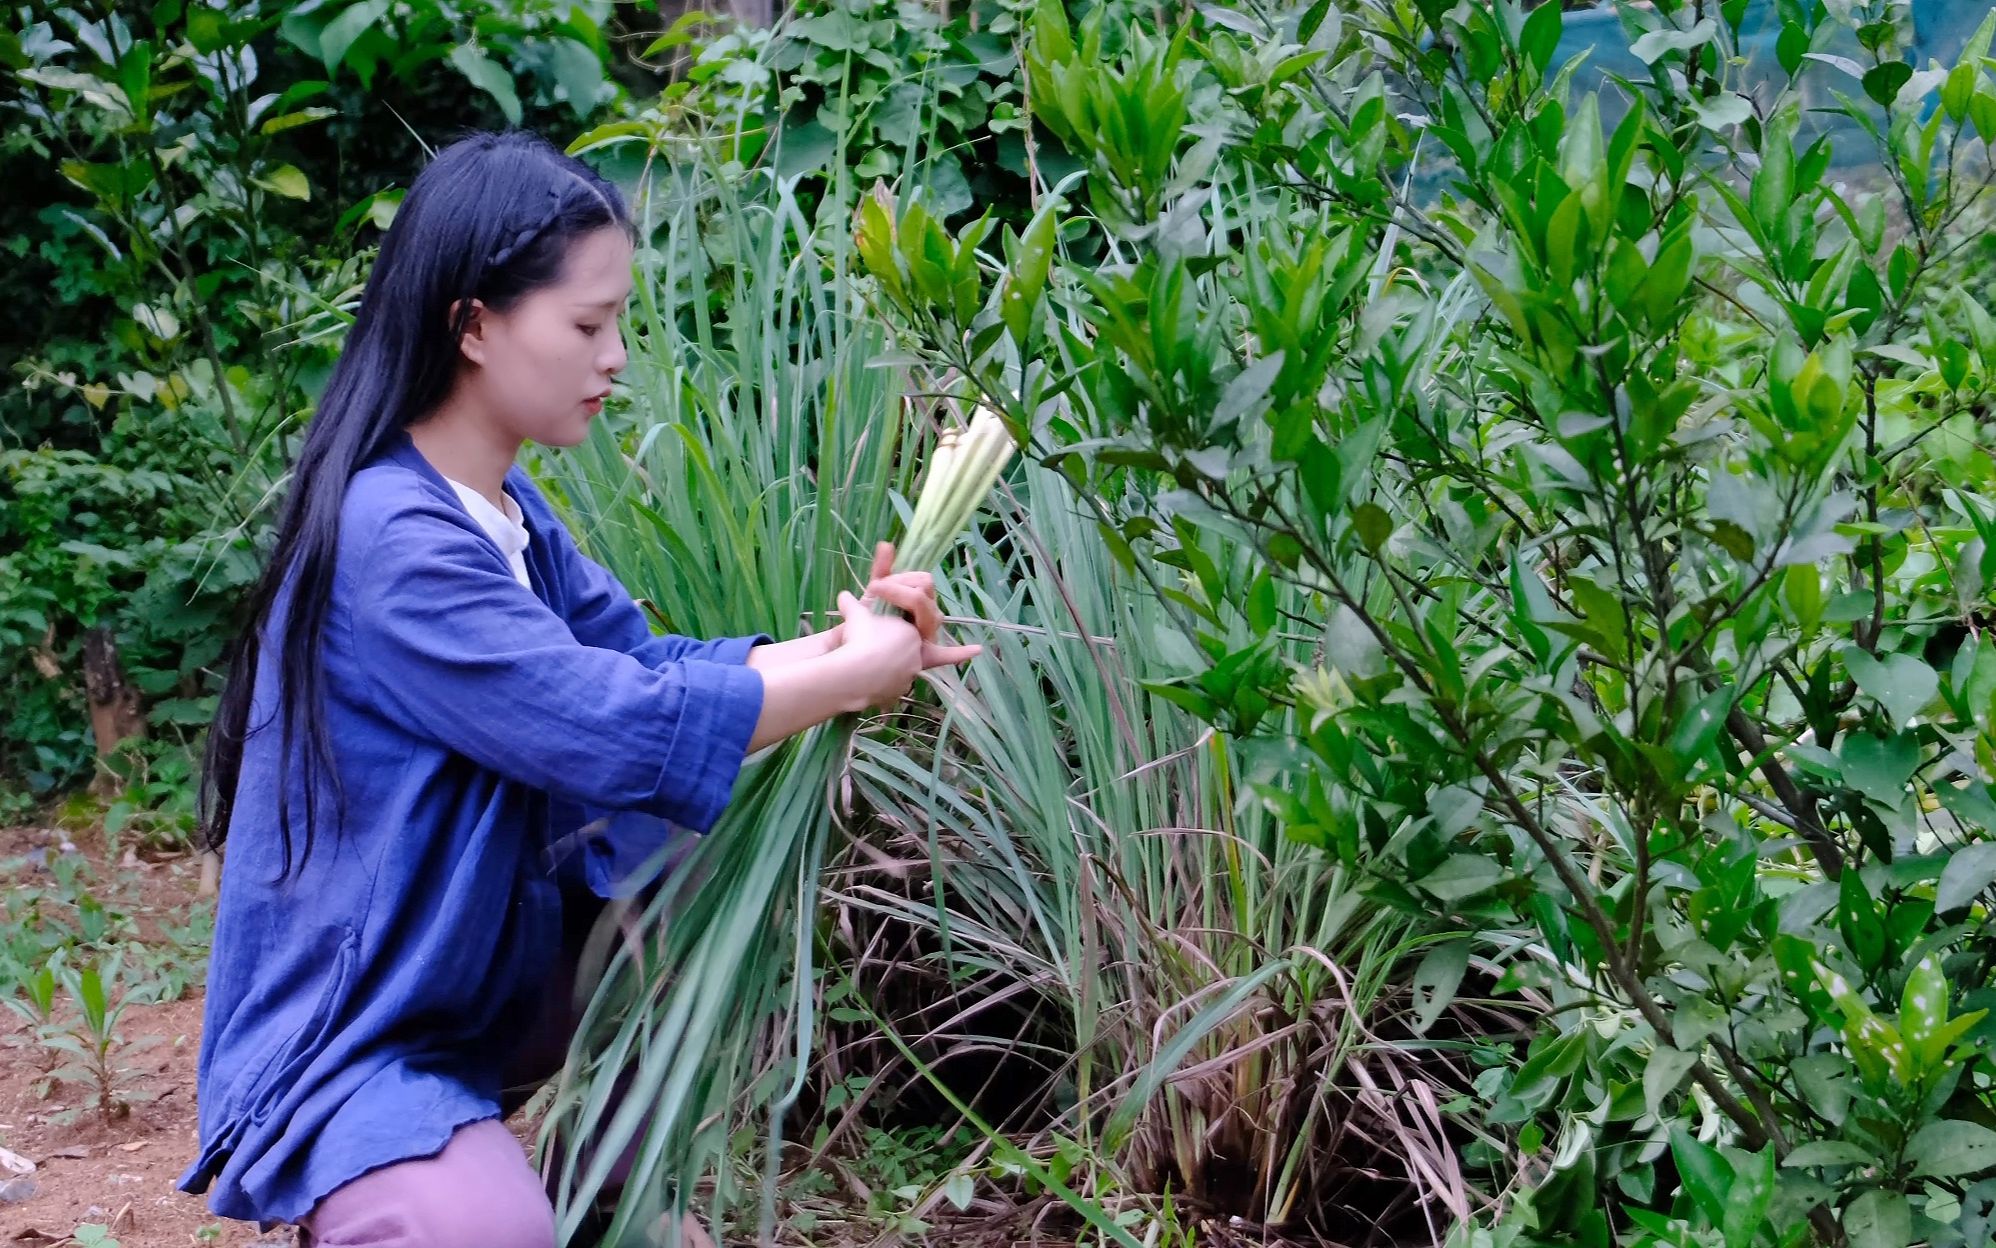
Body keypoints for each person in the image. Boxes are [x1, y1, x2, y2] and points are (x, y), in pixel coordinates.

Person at [175, 129, 980, 1247]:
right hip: (356, 1033)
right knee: (483, 1234)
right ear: (473, 325)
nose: (613, 358)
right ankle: (420, 1195)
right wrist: (847, 677)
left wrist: (846, 649)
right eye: (588, 325)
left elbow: (643, 666)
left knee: (684, 843)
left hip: (465, 993)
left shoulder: (506, 512)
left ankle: (604, 1193)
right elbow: (605, 728)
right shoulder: (394, 539)